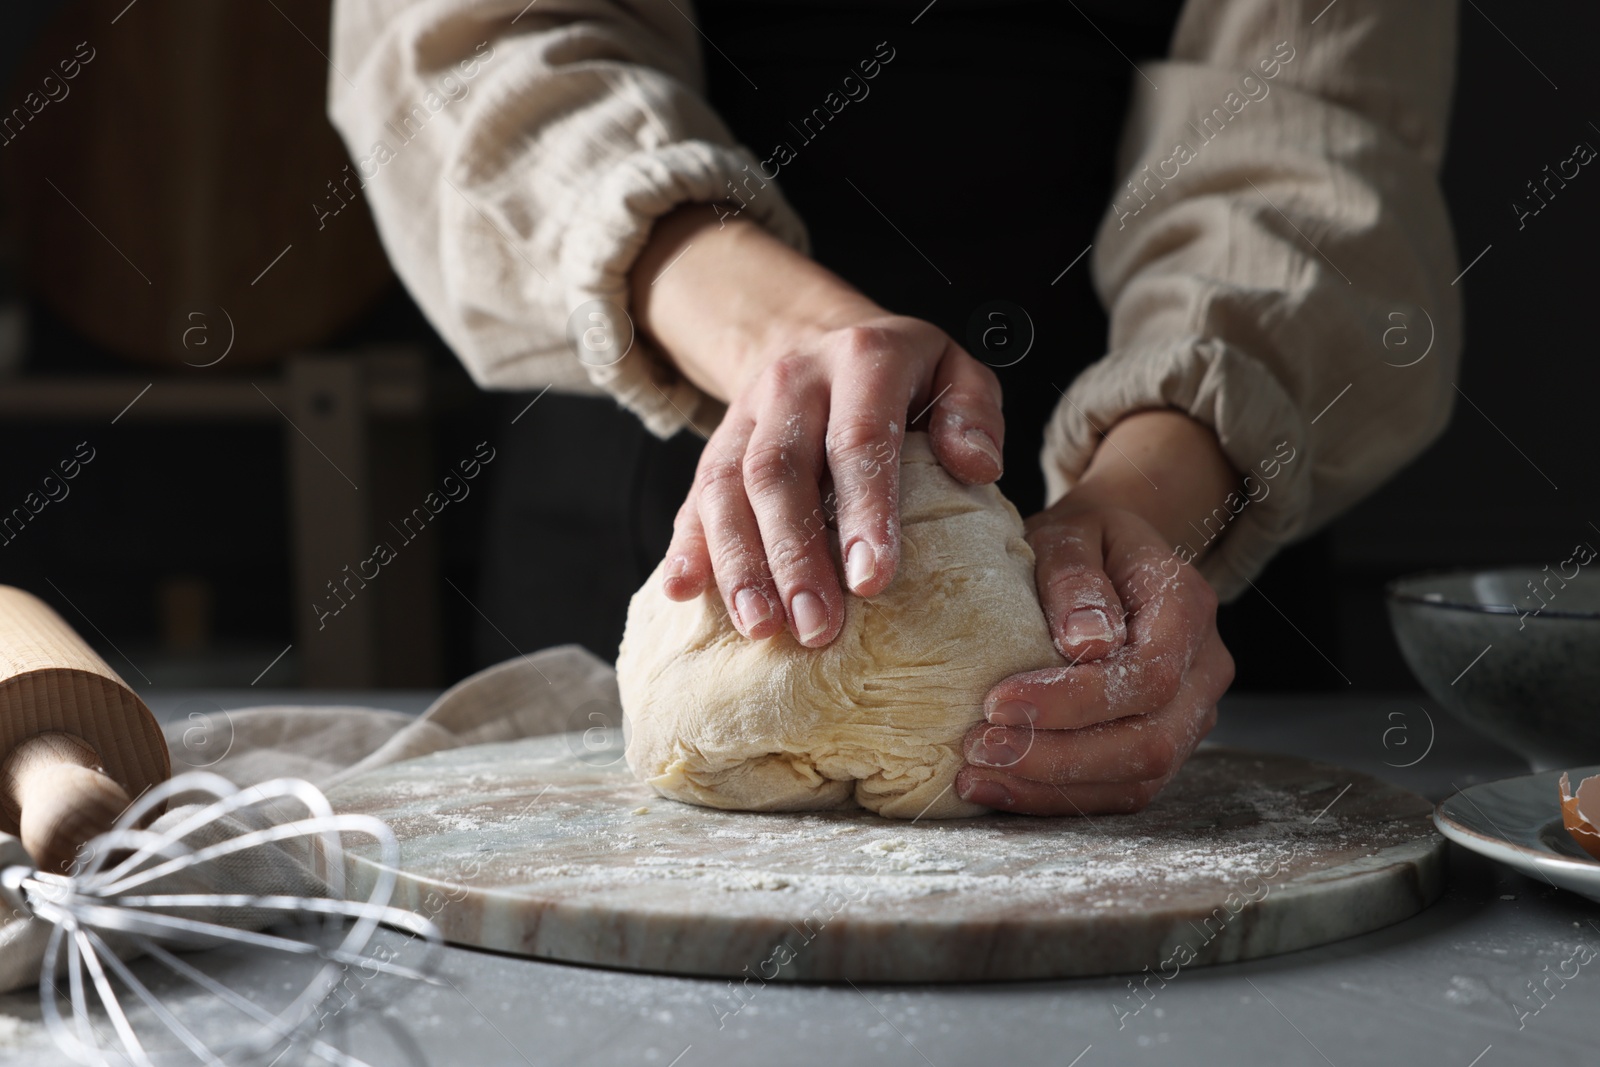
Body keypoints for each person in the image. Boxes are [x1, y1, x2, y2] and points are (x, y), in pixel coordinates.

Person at [328, 0, 1460, 814]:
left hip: (1162, 543)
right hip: (661, 455)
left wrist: (1150, 498)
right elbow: (474, 50)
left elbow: (1314, 128)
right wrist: (787, 337)